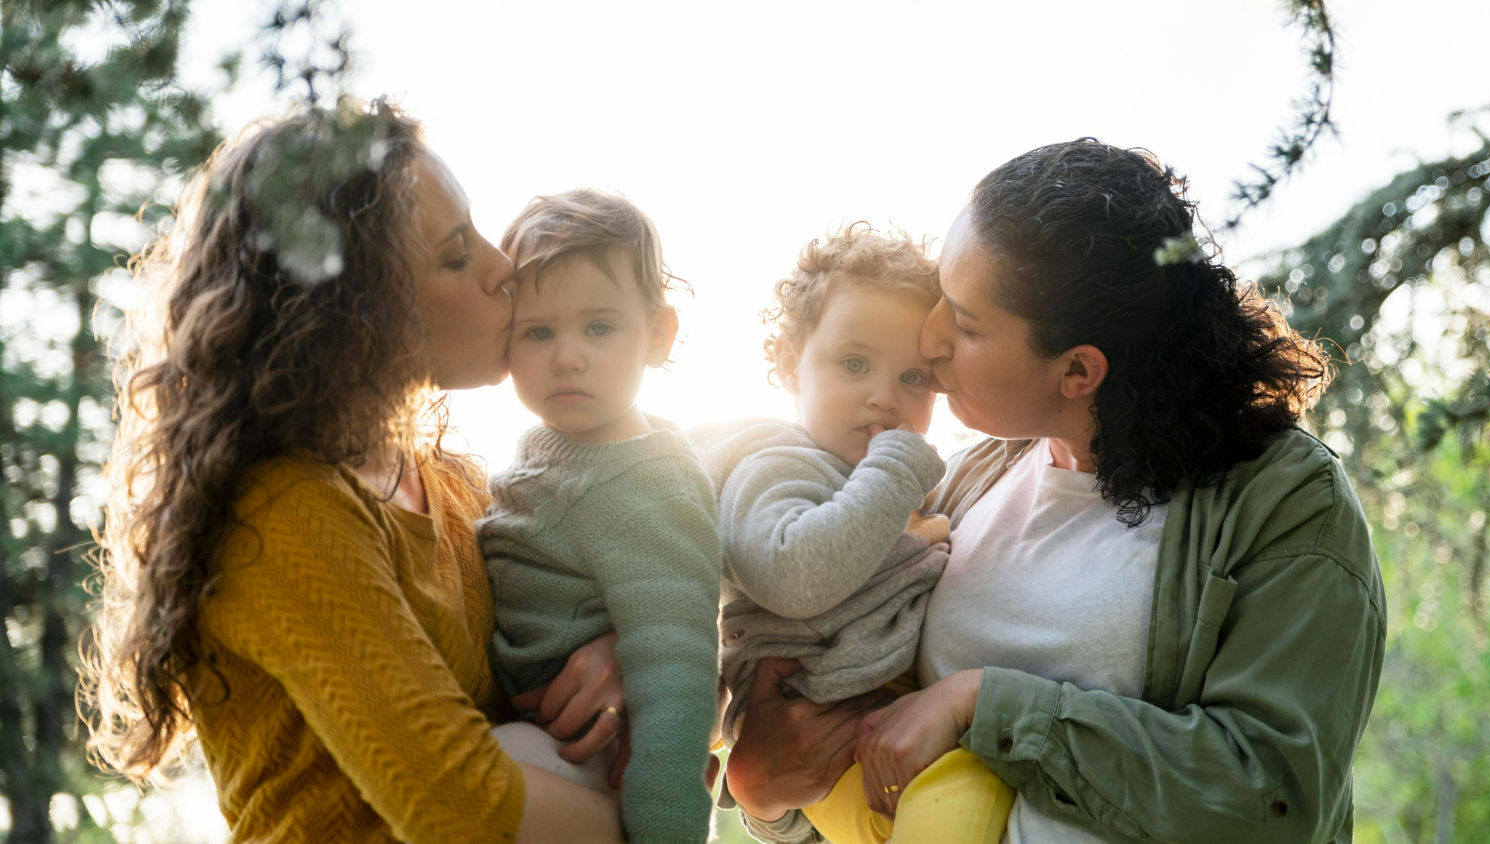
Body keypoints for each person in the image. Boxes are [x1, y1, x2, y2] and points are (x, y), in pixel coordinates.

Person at [724, 139, 1386, 844]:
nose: (931, 336)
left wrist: (986, 705)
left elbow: (1273, 798)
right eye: (942, 296)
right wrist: (770, 798)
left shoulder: (1285, 504)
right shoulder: (965, 483)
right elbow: (861, 762)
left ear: (1077, 371)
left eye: (967, 323)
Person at [87, 100, 629, 843]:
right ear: (355, 312)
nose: (506, 269)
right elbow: (460, 802)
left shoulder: (455, 485)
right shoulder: (283, 513)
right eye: (454, 254)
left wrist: (619, 661)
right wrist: (654, 819)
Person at [693, 224, 1012, 844]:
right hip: (834, 739)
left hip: (870, 733)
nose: (884, 399)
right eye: (855, 364)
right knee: (965, 794)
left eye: (915, 378)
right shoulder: (776, 462)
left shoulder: (880, 487)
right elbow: (791, 574)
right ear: (789, 362)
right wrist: (896, 468)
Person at [479, 189, 721, 844]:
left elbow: (677, 682)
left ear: (658, 334)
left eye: (598, 327)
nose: (567, 356)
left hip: (597, 767)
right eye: (538, 331)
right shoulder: (546, 450)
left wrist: (665, 832)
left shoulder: (649, 484)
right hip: (540, 738)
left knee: (479, 780)